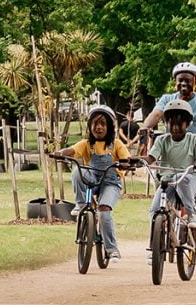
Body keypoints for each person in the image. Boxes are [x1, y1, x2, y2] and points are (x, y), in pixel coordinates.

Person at [54, 106, 137, 263]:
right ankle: (80, 204)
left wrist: (126, 164)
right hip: (92, 179)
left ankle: (111, 248)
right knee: (78, 171)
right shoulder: (86, 144)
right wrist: (59, 153)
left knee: (104, 211)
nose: (98, 127)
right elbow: (70, 150)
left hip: (111, 182)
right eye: (95, 124)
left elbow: (127, 158)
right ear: (90, 126)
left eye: (103, 124)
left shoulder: (116, 144)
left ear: (110, 127)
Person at [143, 101, 196, 236]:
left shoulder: (194, 140)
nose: (175, 127)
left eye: (179, 124)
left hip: (190, 180)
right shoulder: (162, 141)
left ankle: (192, 214)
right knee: (154, 210)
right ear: (166, 124)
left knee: (180, 178)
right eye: (171, 123)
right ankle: (154, 250)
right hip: (168, 182)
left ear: (188, 124)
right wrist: (137, 160)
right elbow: (151, 158)